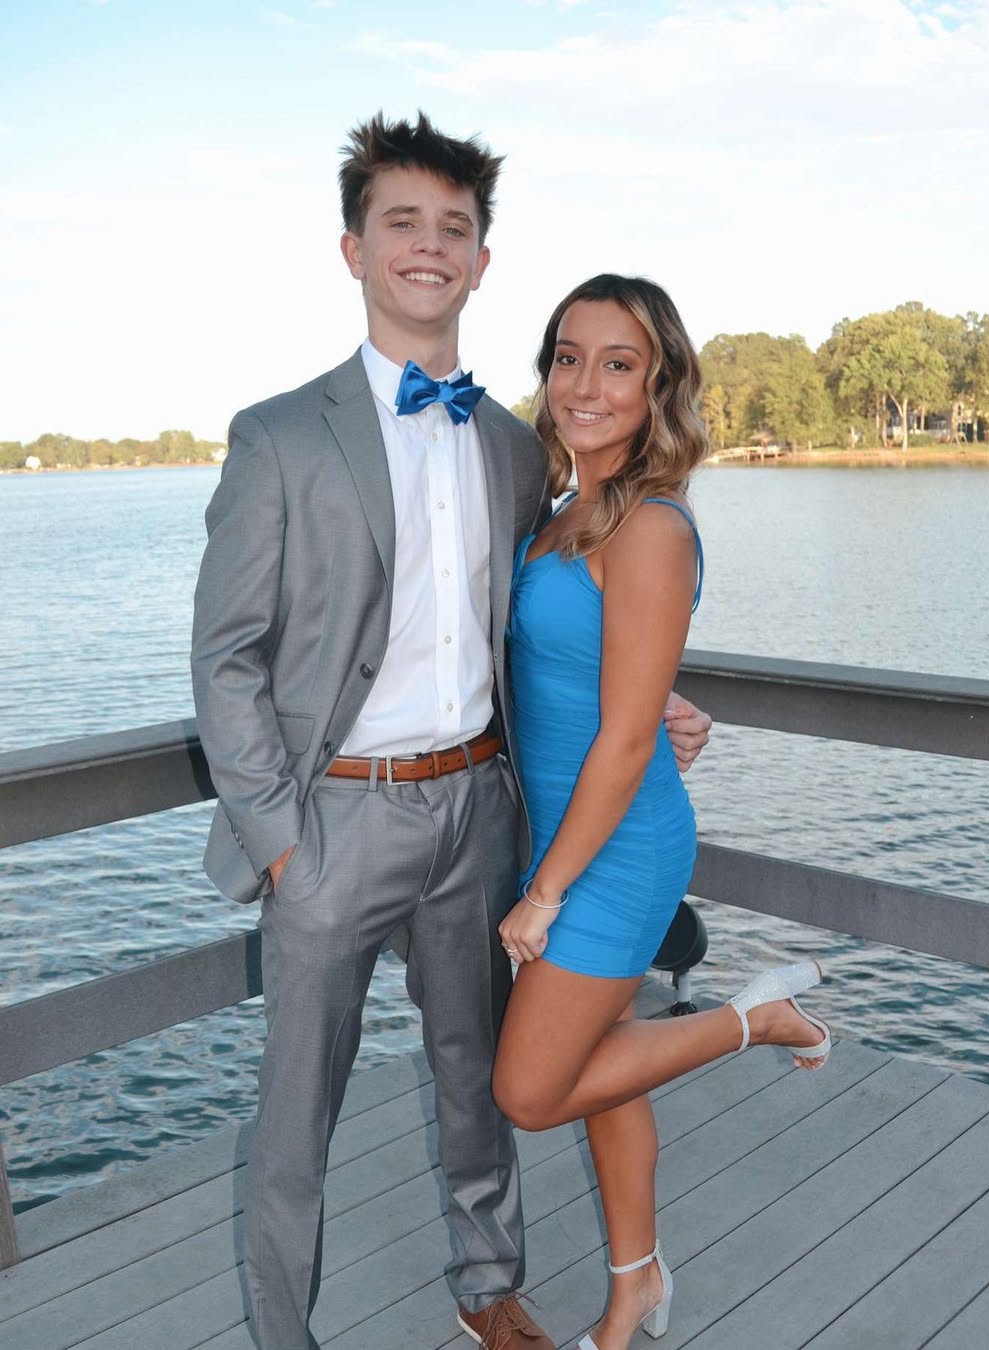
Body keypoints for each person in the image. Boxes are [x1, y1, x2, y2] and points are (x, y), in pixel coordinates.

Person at [190, 114, 710, 1350]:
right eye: (402, 223)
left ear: (481, 261)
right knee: (296, 1115)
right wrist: (282, 846)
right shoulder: (278, 436)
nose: (429, 245)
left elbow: (549, 614)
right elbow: (226, 660)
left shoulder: (520, 451)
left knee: (480, 1081)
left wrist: (658, 700)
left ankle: (489, 1289)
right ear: (354, 249)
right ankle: (283, 1334)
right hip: (332, 821)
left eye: (454, 228)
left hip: (482, 812)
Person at [493, 274, 831, 1350]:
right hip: (568, 834)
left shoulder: (649, 527)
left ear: (658, 387)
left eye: (618, 364)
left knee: (531, 1091)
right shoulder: (563, 515)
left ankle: (754, 1020)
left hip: (614, 850)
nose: (585, 385)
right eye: (568, 358)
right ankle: (634, 1283)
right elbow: (583, 673)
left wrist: (547, 893)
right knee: (603, 1066)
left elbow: (627, 738)